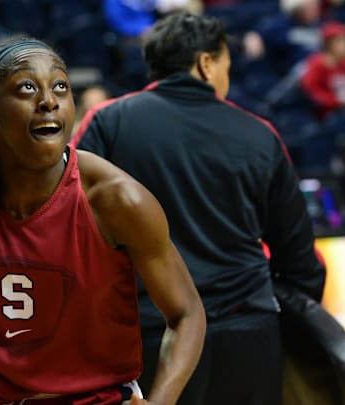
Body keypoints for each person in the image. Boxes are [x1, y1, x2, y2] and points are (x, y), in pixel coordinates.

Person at [0, 38, 206, 404]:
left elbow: (186, 314)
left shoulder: (116, 199)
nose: (48, 101)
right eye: (27, 88)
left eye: (60, 87)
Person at [71, 13, 326, 405]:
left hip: (151, 337)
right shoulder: (260, 134)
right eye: (226, 64)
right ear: (206, 64)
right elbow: (299, 259)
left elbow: (71, 230)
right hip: (249, 334)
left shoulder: (108, 122)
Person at [301, 21, 345, 118]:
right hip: (325, 115)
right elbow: (312, 93)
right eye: (342, 41)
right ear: (329, 44)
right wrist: (336, 101)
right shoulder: (316, 64)